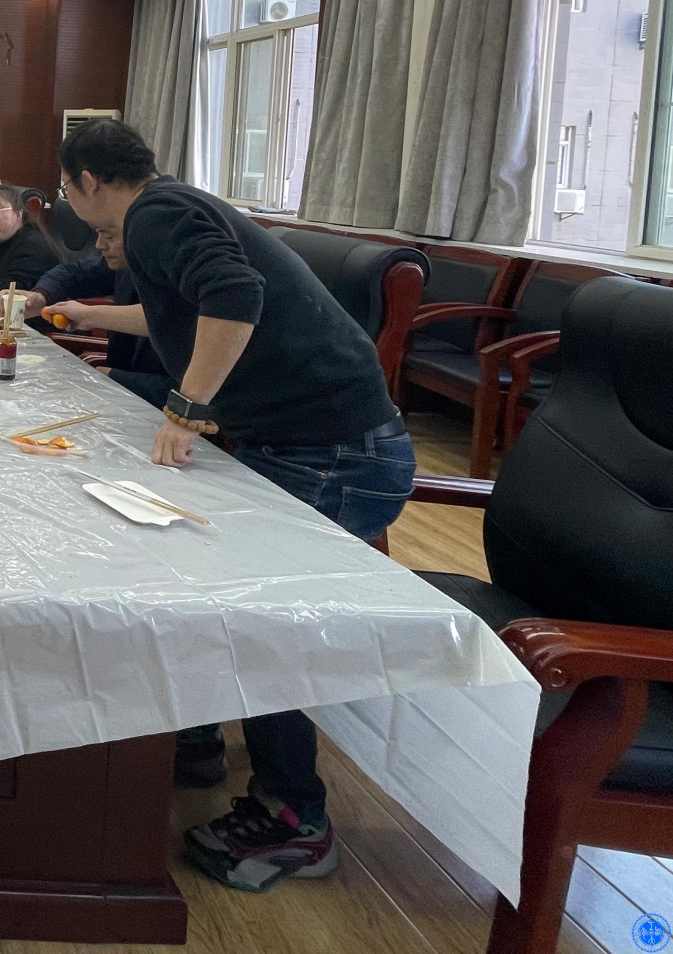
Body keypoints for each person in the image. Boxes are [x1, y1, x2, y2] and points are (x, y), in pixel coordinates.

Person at [55, 118, 414, 895]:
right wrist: (88, 315)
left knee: (257, 616)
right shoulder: (168, 208)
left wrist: (185, 410)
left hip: (337, 453)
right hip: (318, 441)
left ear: (88, 181)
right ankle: (196, 735)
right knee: (188, 560)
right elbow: (185, 314)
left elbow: (234, 295)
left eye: (65, 188)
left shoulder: (154, 214)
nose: (69, 201)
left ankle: (296, 817)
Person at [35, 224, 172, 408]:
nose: (99, 245)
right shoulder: (128, 263)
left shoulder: (181, 284)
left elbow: (166, 319)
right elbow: (73, 273)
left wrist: (113, 376)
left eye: (109, 236)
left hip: (153, 398)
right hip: (119, 381)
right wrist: (41, 295)